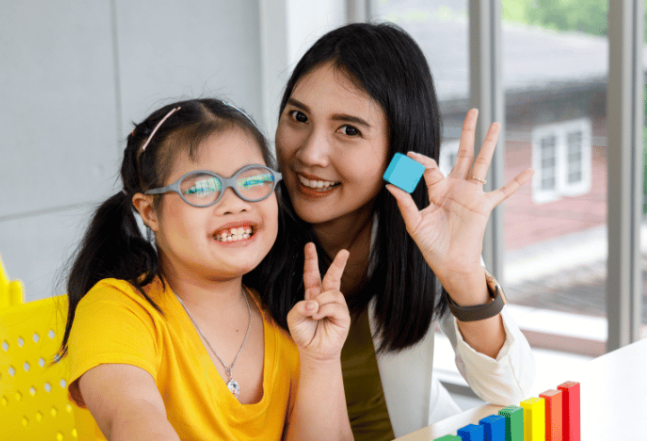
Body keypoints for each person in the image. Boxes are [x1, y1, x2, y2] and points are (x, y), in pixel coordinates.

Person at [246, 23, 536, 440]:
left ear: (400, 153)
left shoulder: (423, 227)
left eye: (348, 130)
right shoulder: (247, 230)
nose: (310, 153)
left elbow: (512, 390)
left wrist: (463, 276)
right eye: (298, 117)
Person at [60, 98, 354, 441]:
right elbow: (133, 419)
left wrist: (320, 361)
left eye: (252, 180)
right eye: (201, 188)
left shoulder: (286, 318)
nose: (235, 204)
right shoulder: (116, 311)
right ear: (150, 211)